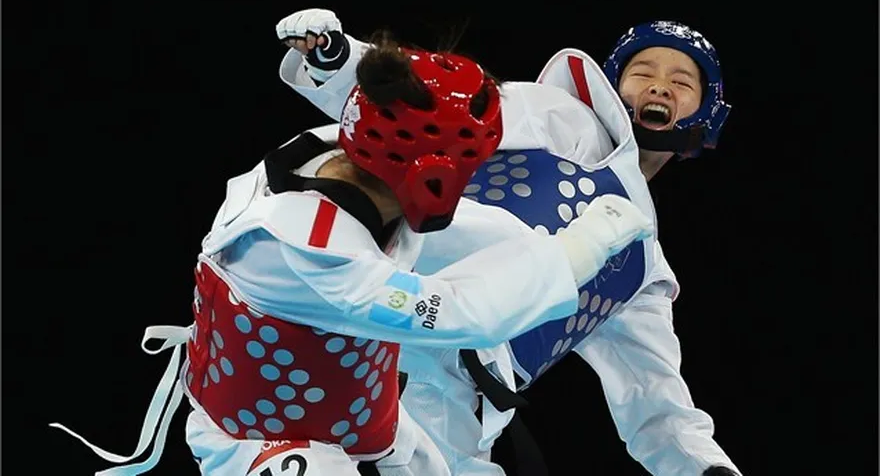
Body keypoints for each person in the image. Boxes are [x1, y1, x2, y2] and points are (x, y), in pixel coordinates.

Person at [48, 32, 656, 476]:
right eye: (472, 167)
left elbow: (467, 217)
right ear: (431, 177)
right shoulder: (311, 253)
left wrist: (338, 57)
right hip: (264, 442)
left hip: (362, 419)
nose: (479, 178)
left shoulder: (329, 153)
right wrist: (582, 246)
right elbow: (456, 311)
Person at [274, 9, 740, 476]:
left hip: (456, 403)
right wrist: (338, 60)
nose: (659, 86)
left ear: (707, 116)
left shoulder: (640, 265)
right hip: (390, 306)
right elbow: (426, 101)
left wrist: (705, 468)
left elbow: (654, 399)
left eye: (681, 82)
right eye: (643, 72)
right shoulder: (556, 115)